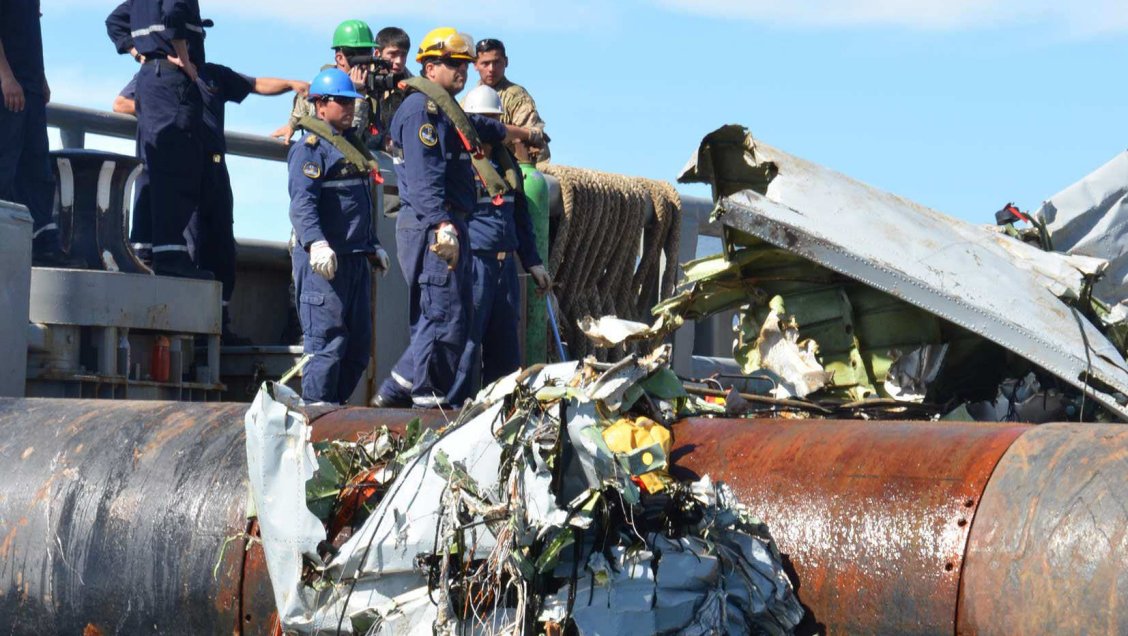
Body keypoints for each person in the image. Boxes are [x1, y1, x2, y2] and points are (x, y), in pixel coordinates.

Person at [114, 66, 308, 344]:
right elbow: (120, 103)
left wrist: (290, 83)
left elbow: (255, 83)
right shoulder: (160, 73)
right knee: (189, 247)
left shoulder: (213, 74)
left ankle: (219, 326)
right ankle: (189, 334)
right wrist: (164, 109)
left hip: (215, 169)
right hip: (183, 167)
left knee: (222, 247)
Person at [372, 27, 509, 409]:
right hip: (435, 224)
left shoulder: (446, 111)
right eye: (452, 63)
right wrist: (441, 224)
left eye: (464, 63)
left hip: (447, 221)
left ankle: (397, 389)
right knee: (443, 313)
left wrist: (514, 132)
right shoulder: (423, 111)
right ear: (430, 68)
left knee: (450, 314)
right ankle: (427, 399)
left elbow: (475, 126)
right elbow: (424, 175)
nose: (461, 70)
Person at [288, 68, 390, 404]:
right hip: (325, 264)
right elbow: (302, 203)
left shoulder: (349, 147)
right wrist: (316, 243)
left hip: (354, 260)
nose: (350, 108)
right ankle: (316, 416)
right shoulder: (311, 149)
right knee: (326, 345)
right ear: (320, 105)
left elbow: (357, 205)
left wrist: (372, 244)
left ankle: (333, 410)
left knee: (357, 349)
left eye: (351, 102)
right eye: (341, 102)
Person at [106, 0, 212, 279]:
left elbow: (115, 21)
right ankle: (170, 254)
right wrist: (184, 60)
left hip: (150, 81)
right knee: (175, 169)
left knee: (151, 170)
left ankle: (144, 251)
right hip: (172, 82)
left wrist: (139, 53)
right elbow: (174, 13)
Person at [458, 85, 552, 390]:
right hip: (474, 264)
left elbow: (520, 217)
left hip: (505, 267)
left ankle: (500, 406)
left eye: (494, 120)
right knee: (466, 343)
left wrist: (533, 262)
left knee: (506, 349)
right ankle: (456, 406)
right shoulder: (460, 163)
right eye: (483, 120)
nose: (490, 127)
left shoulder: (507, 166)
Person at [0, 0, 65, 265]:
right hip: (8, 85)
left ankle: (44, 245)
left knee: (37, 169)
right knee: (4, 166)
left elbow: (30, 30)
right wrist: (6, 77)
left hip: (31, 85)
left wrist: (42, 77)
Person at [272, 19, 380, 150]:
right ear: (340, 58)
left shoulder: (376, 86)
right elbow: (347, 141)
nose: (365, 63)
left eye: (368, 53)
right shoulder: (321, 88)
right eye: (359, 55)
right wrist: (357, 95)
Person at [471, 38, 550, 163]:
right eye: (485, 63)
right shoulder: (468, 100)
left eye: (497, 62)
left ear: (506, 62)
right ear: (475, 65)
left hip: (510, 167)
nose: (491, 69)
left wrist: (505, 132)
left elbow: (536, 138)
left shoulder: (516, 97)